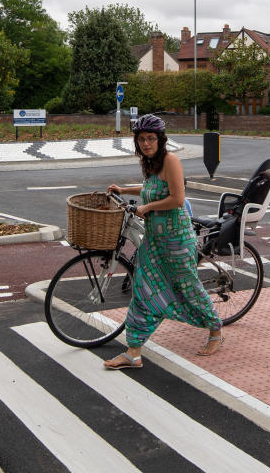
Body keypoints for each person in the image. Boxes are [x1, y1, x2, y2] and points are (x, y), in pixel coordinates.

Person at [103, 113, 223, 370]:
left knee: (188, 288)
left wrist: (147, 208)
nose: (146, 143)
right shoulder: (149, 163)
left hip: (177, 239)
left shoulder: (171, 161)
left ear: (160, 139)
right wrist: (124, 190)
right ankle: (133, 351)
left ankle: (215, 329)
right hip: (154, 241)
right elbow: (150, 188)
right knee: (143, 290)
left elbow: (177, 199)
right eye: (142, 139)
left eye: (150, 139)